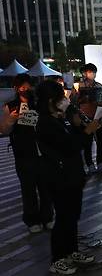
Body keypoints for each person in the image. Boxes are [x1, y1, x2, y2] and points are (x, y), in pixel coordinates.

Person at [36, 80, 98, 275]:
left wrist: (79, 126)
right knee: (63, 217)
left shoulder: (60, 118)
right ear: (49, 100)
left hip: (72, 176)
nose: (64, 100)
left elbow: (73, 140)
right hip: (59, 177)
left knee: (73, 216)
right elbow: (68, 146)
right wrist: (86, 131)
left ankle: (72, 251)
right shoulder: (45, 123)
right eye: (60, 97)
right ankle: (58, 259)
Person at [0, 74, 53, 233]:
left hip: (42, 151)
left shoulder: (38, 104)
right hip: (23, 153)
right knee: (28, 188)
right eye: (22, 87)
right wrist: (11, 119)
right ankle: (32, 220)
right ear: (16, 89)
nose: (25, 89)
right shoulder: (10, 106)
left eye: (28, 86)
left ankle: (48, 217)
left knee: (45, 187)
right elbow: (4, 129)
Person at [75, 63, 102, 175]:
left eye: (93, 72)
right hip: (86, 120)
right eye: (88, 72)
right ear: (84, 73)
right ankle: (90, 165)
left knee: (100, 142)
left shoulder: (99, 86)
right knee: (87, 143)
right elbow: (74, 101)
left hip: (99, 118)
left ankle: (100, 163)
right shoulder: (79, 86)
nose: (91, 74)